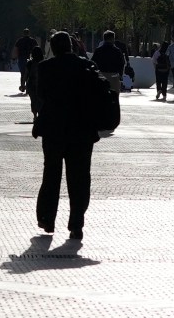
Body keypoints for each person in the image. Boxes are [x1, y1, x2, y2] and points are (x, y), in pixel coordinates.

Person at [28, 31, 107, 247]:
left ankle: (47, 220)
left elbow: (42, 96)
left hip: (54, 130)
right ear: (72, 46)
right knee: (79, 179)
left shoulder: (45, 68)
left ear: (52, 48)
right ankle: (76, 225)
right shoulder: (86, 66)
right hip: (82, 131)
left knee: (51, 175)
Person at [15, 30, 40, 94]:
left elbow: (17, 49)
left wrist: (16, 57)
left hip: (21, 58)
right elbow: (36, 48)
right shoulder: (33, 40)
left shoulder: (20, 40)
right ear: (29, 33)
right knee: (29, 74)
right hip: (30, 58)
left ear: (23, 33)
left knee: (22, 73)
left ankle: (22, 87)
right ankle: (28, 88)